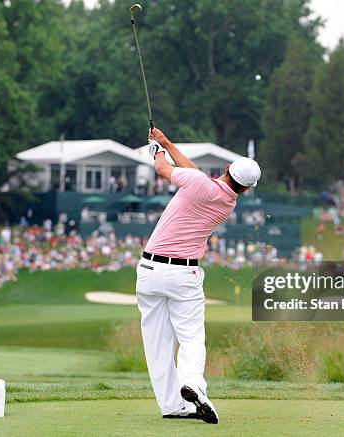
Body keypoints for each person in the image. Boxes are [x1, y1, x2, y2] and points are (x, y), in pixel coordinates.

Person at [136, 127, 260, 424]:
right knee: (191, 337)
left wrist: (157, 150)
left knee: (158, 343)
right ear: (245, 189)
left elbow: (164, 169)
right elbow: (195, 175)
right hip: (184, 274)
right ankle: (192, 382)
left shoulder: (198, 183)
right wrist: (165, 141)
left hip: (149, 271)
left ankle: (172, 405)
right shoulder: (227, 202)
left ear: (227, 168)